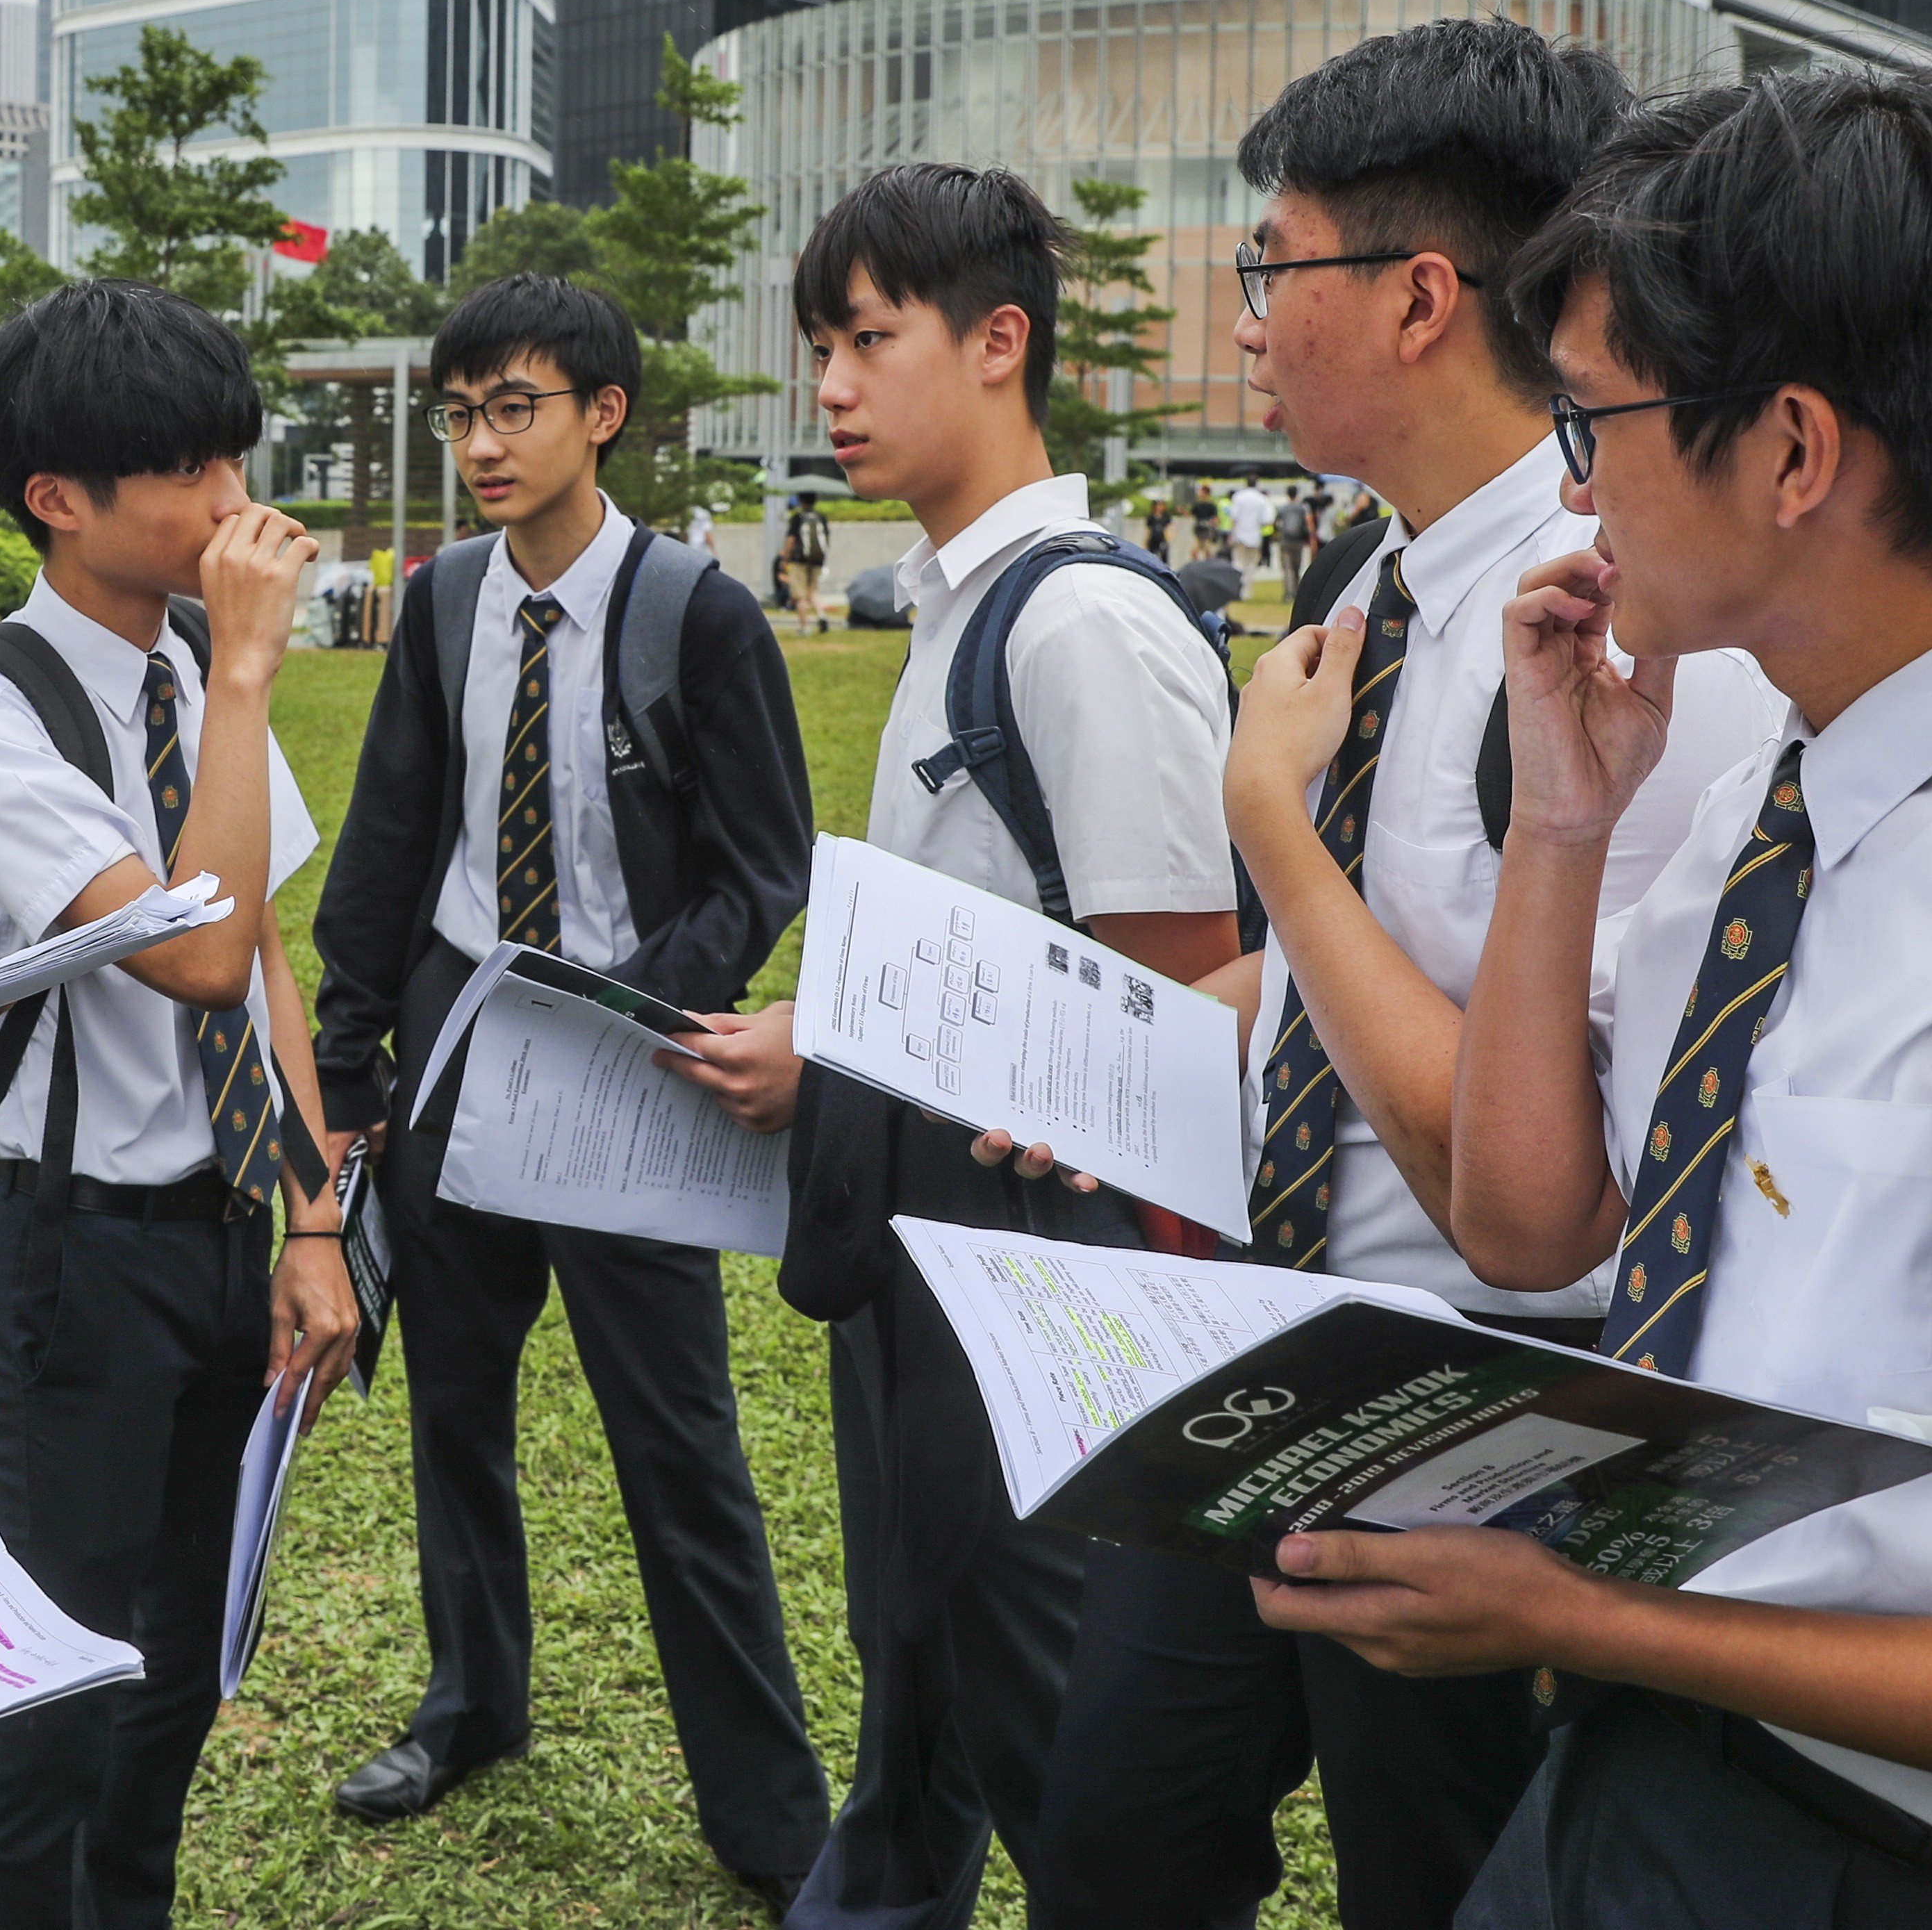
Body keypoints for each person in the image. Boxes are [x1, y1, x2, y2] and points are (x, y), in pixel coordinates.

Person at [1259, 63, 1932, 1927]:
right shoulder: (1768, 796)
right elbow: (1528, 1213)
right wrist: (1564, 823)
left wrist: (1604, 1613)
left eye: (1593, 421)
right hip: (1644, 1763)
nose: (1569, 486)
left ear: (1792, 450)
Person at [1027, 18, 1785, 1930]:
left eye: (1272, 264)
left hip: (1485, 1376)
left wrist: (1264, 817)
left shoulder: (1626, 630)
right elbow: (1330, 985)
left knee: (1432, 1866)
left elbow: (1555, 1158)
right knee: (1111, 1818)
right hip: (1280, 1339)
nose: (1249, 314)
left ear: (1419, 293)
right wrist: (1099, 1052)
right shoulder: (1369, 580)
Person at [666, 163, 1240, 1930]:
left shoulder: (1088, 625)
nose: (829, 386)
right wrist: (829, 1038)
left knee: (1064, 1746)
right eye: (818, 345)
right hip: (921, 1267)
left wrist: (828, 1055)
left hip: (1044, 1294)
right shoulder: (956, 610)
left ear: (1001, 343)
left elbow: (1174, 1025)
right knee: (917, 1680)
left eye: (867, 338)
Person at [311, 273, 831, 1906]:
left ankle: (766, 1809)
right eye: (462, 412)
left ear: (601, 414)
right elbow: (396, 834)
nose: (480, 440)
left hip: (624, 1066)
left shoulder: (697, 610)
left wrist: (637, 998)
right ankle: (472, 1703)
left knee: (679, 1449)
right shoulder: (448, 600)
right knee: (455, 1419)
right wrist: (349, 1058)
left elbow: (767, 862)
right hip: (459, 1058)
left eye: (513, 406)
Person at [0, 281, 362, 1930]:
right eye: (187, 466)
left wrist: (312, 1215)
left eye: (232, 449)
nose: (234, 497)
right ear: (60, 499)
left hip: (211, 1228)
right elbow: (197, 949)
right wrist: (243, 675)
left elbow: (273, 969)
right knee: (54, 1683)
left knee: (176, 1666)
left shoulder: (184, 666)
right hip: (57, 1254)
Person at [779, 488, 834, 634]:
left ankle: (805, 627)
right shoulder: (820, 517)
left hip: (799, 561)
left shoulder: (798, 518)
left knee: (800, 595)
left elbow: (791, 540)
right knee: (814, 591)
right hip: (817, 561)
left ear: (800, 501)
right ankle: (822, 616)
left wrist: (785, 558)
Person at [1228, 476, 1277, 588]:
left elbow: (1233, 518)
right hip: (1255, 537)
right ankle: (1246, 590)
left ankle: (1236, 587)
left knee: (1238, 562)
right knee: (1251, 565)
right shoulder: (1262, 499)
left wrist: (1232, 534)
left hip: (1239, 536)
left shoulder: (1238, 497)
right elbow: (1268, 520)